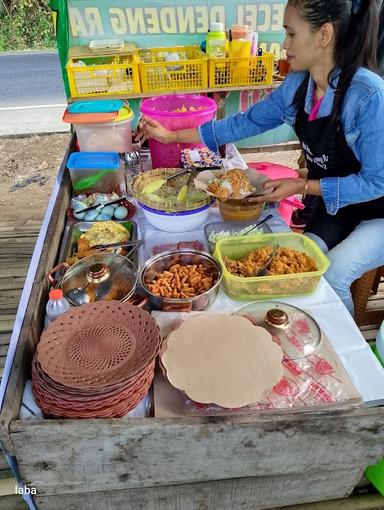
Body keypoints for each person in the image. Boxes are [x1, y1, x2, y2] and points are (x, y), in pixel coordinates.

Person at [135, 0, 384, 317]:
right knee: (291, 268)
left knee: (332, 276)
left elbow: (376, 182)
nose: (285, 45)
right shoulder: (298, 85)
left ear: (324, 34)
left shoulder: (369, 96)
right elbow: (243, 124)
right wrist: (172, 136)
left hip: (378, 210)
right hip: (336, 206)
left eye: (291, 34)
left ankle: (348, 356)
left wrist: (299, 185)